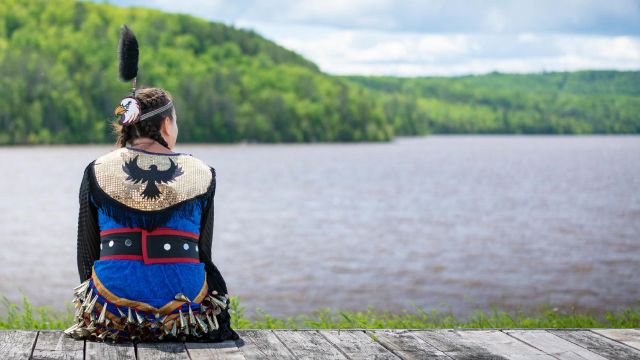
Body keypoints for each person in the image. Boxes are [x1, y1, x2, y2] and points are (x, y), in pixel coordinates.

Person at [64, 26, 238, 343]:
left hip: (112, 311)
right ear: (166, 124)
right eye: (176, 121)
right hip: (184, 313)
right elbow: (203, 254)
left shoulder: (97, 169)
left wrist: (94, 304)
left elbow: (86, 253)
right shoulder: (202, 171)